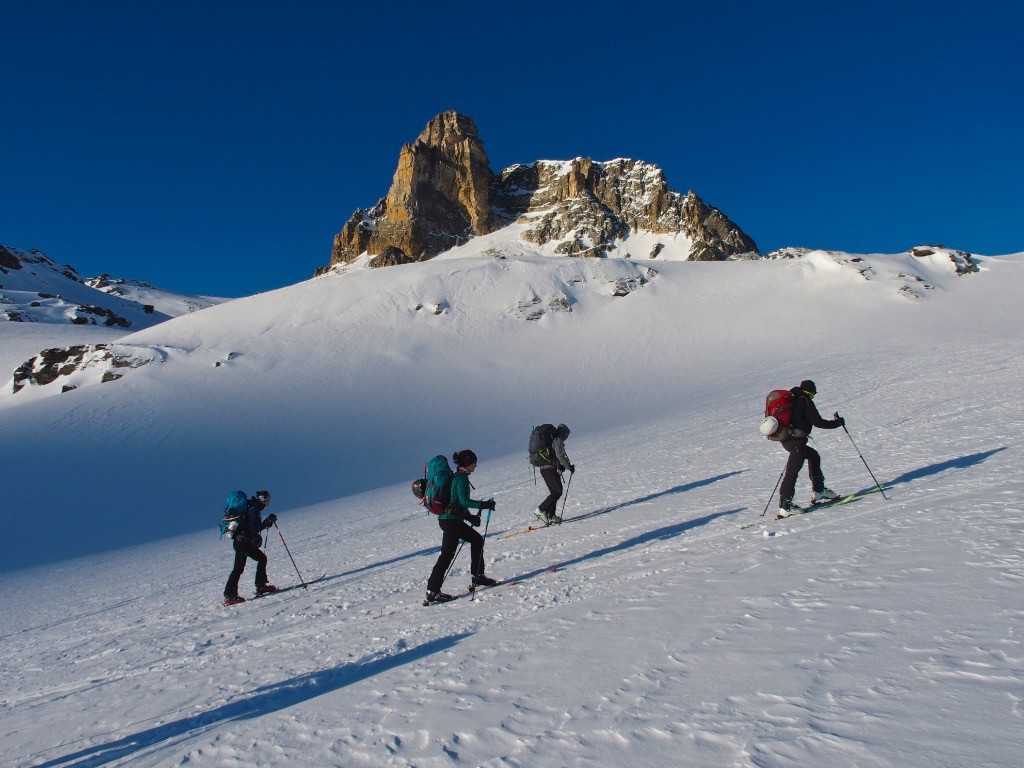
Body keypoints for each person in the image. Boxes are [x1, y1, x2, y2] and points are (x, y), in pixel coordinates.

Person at [425, 450, 498, 603]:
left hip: (448, 520)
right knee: (454, 552)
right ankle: (434, 591)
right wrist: (484, 505)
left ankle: (434, 589)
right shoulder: (461, 479)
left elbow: (455, 502)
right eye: (474, 463)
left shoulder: (455, 477)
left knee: (455, 550)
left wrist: (469, 517)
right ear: (467, 464)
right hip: (451, 521)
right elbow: (464, 501)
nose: (476, 466)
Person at [777, 380, 845, 516]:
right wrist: (838, 423)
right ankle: (785, 506)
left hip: (788, 440)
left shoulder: (793, 399)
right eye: (813, 394)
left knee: (813, 455)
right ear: (811, 391)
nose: (813, 396)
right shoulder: (805, 401)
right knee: (792, 473)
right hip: (797, 443)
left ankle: (819, 491)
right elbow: (818, 422)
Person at [223, 490, 279, 605]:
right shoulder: (253, 509)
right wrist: (267, 522)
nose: (269, 502)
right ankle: (230, 596)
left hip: (244, 542)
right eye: (268, 500)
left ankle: (261, 586)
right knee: (238, 569)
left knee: (261, 558)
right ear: (263, 500)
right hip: (242, 543)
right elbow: (254, 528)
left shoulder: (253, 507)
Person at [534, 424, 574, 525]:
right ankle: (540, 510)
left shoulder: (553, 439)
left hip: (546, 469)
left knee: (555, 492)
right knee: (557, 492)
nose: (567, 437)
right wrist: (569, 467)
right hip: (548, 469)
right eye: (567, 434)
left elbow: (553, 455)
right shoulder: (558, 440)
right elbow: (560, 456)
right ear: (563, 432)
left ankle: (551, 516)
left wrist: (559, 466)